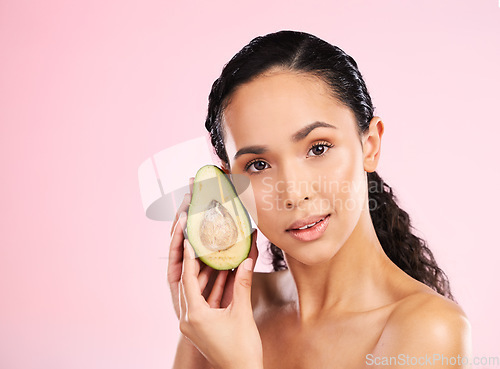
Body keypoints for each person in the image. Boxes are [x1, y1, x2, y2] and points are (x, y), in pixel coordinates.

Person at [167, 30, 471, 369]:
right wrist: (198, 330)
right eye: (258, 165)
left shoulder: (428, 330)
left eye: (318, 148)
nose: (295, 194)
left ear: (370, 145)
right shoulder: (228, 311)